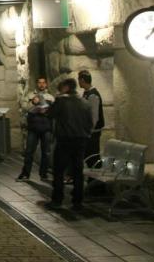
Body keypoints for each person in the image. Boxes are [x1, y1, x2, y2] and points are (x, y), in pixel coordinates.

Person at [47, 78, 93, 210]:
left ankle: (57, 199)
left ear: (66, 87)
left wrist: (56, 100)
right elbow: (90, 123)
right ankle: (77, 201)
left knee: (59, 170)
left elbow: (50, 114)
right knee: (78, 171)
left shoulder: (62, 101)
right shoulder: (85, 102)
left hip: (65, 139)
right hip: (81, 140)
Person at [18, 77, 54, 181]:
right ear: (36, 84)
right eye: (39, 83)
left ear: (46, 84)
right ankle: (25, 173)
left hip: (46, 127)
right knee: (29, 151)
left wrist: (47, 111)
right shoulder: (30, 95)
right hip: (33, 127)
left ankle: (43, 174)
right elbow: (24, 108)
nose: (42, 85)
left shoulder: (50, 97)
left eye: (43, 83)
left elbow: (54, 111)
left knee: (46, 152)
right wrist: (33, 103)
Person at [79, 70, 104, 167]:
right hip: (88, 131)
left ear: (82, 80)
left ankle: (96, 180)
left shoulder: (93, 95)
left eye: (79, 80)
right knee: (87, 156)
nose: (79, 82)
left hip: (92, 132)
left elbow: (94, 116)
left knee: (92, 157)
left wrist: (89, 131)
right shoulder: (86, 93)